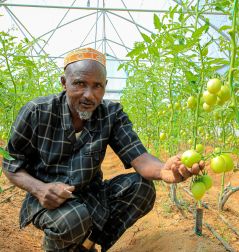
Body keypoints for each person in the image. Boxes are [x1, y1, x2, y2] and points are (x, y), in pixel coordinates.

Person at [2, 48, 204, 252]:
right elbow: (11, 162)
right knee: (72, 219)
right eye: (80, 84)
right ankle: (56, 248)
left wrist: (163, 170)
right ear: (64, 83)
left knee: (142, 188)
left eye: (97, 86)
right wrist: (39, 189)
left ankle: (88, 244)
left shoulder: (111, 114)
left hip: (92, 195)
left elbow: (139, 157)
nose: (89, 95)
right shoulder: (37, 111)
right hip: (49, 199)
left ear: (105, 86)